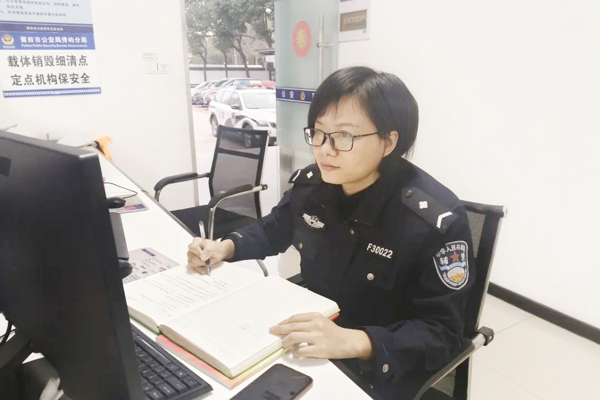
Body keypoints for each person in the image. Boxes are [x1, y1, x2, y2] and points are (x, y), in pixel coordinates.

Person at [187, 66, 475, 399]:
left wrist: (356, 341)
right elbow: (274, 229)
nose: (325, 149)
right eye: (319, 133)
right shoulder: (314, 186)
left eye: (343, 136)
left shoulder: (432, 220)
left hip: (377, 368)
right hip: (308, 343)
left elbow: (442, 334)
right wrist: (225, 247)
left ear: (388, 142)